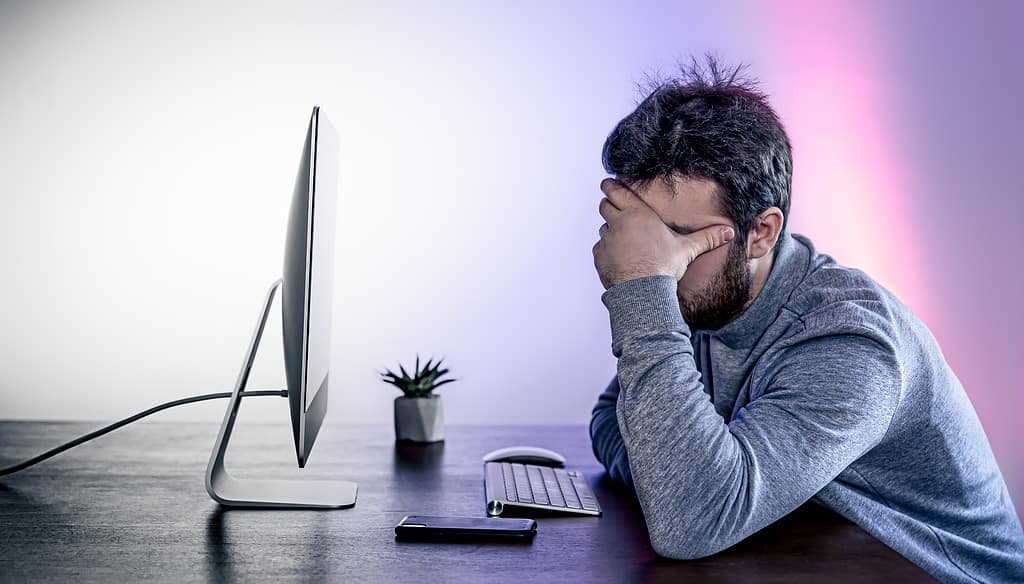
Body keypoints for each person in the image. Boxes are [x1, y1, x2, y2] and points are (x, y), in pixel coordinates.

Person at [589, 55, 1024, 583]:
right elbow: (611, 416)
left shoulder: (850, 342)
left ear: (762, 233)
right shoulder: (707, 302)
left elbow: (690, 521)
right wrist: (678, 473)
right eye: (640, 237)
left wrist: (642, 292)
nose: (656, 262)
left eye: (674, 239)